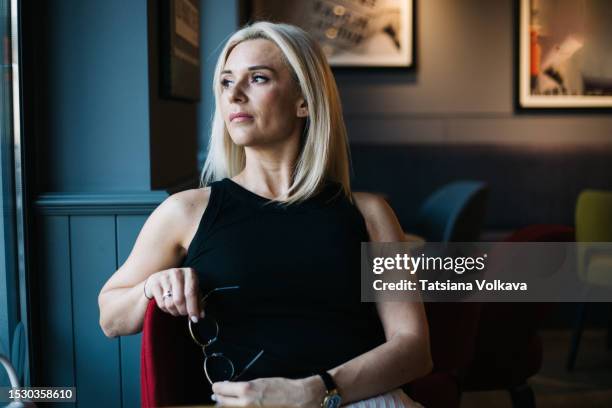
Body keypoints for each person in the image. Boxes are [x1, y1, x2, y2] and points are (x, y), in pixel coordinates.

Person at [98, 21, 432, 407]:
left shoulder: (369, 213)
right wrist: (150, 287)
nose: (234, 95)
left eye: (257, 78)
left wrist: (316, 391)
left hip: (357, 401)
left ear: (304, 100)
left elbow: (414, 349)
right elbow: (111, 317)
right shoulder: (186, 211)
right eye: (225, 82)